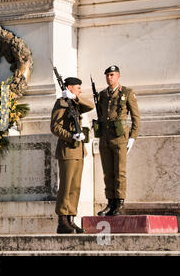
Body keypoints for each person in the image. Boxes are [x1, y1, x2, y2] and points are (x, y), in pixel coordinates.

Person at [51, 77, 94, 234]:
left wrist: (75, 97)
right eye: (77, 88)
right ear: (69, 87)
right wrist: (71, 136)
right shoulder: (61, 103)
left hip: (79, 151)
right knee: (66, 186)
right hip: (67, 150)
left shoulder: (74, 102)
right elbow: (55, 127)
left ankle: (71, 218)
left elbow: (90, 105)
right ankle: (62, 220)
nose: (80, 90)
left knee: (75, 187)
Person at [96, 65, 140, 216]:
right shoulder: (101, 95)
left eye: (112, 75)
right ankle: (110, 202)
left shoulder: (127, 93)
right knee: (108, 173)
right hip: (105, 139)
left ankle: (120, 203)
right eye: (107, 75)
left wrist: (132, 137)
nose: (109, 78)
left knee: (119, 172)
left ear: (118, 76)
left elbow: (136, 117)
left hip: (120, 138)